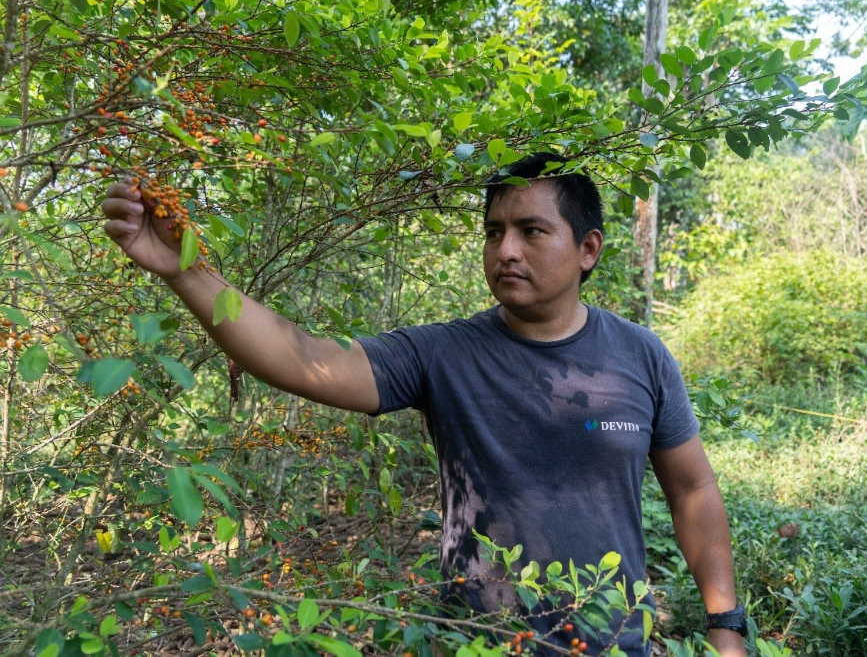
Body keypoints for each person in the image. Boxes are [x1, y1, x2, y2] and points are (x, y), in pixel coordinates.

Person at [102, 152, 748, 656]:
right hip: (477, 643)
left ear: (588, 249)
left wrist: (725, 628)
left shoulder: (641, 354)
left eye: (531, 230)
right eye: (494, 231)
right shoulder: (442, 352)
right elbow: (300, 356)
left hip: (611, 640)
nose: (506, 250)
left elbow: (693, 490)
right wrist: (184, 268)